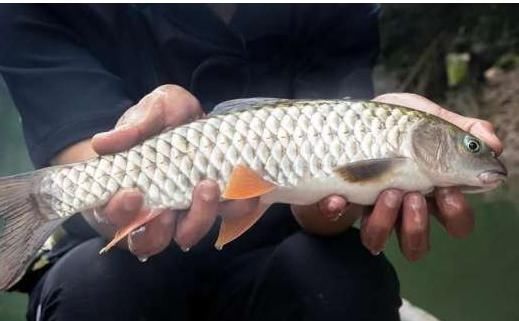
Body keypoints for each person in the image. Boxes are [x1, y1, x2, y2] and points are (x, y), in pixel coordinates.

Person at [0, 4, 502, 321]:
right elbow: (82, 144)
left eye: (471, 148)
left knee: (344, 283)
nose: (480, 156)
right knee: (96, 291)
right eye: (471, 148)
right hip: (119, 256)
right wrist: (114, 200)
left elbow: (325, 203)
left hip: (281, 245)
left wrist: (337, 205)